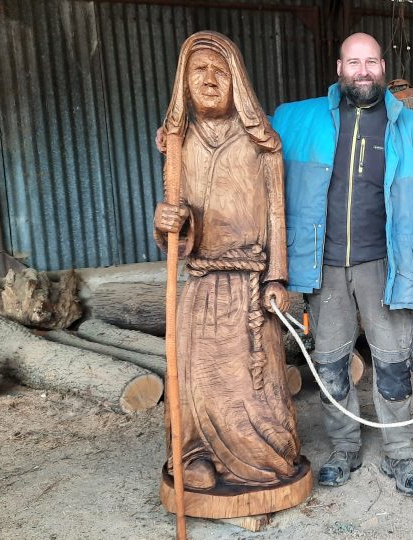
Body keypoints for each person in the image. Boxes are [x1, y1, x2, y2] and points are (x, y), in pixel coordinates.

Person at [158, 32, 413, 497]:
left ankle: (399, 455)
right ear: (339, 69)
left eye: (371, 62)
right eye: (354, 62)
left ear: (381, 67)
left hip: (388, 267)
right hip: (322, 267)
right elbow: (238, 141)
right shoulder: (295, 120)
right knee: (330, 363)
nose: (363, 71)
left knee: (394, 366)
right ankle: (344, 449)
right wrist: (185, 132)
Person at [152, 31, 299, 491]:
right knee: (197, 379)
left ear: (237, 80)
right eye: (199, 71)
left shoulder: (263, 146)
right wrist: (166, 223)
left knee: (256, 385)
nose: (210, 79)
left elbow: (278, 212)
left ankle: (263, 456)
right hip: (201, 283)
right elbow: (173, 232)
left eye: (220, 70)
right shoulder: (177, 146)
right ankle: (195, 454)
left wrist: (278, 276)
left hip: (251, 284)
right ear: (184, 83)